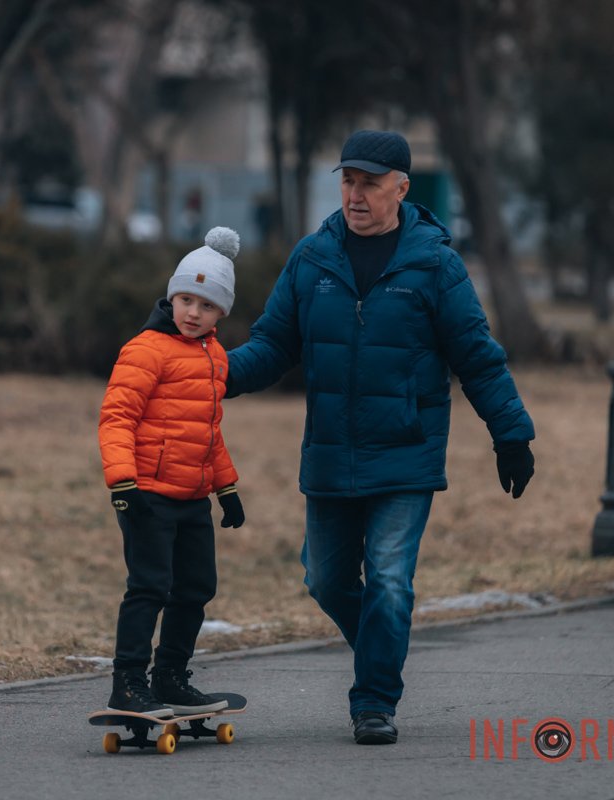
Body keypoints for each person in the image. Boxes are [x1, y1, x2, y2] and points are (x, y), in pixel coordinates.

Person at [225, 130, 536, 745]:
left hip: (405, 451)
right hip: (331, 454)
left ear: (401, 188)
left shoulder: (434, 264)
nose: (356, 194)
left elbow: (477, 357)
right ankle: (382, 646)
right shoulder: (313, 258)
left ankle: (374, 701)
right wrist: (211, 374)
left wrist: (511, 434)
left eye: (370, 183)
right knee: (327, 580)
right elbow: (273, 345)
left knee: (390, 580)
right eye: (347, 180)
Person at [98, 227, 247, 716]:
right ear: (171, 296)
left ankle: (169, 677)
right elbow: (117, 418)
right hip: (147, 495)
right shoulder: (145, 349)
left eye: (206, 306)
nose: (192, 313)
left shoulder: (215, 358)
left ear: (220, 313)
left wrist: (226, 488)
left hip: (192, 498)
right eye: (185, 299)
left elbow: (207, 430)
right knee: (149, 587)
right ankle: (128, 683)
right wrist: (122, 483)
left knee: (196, 588)